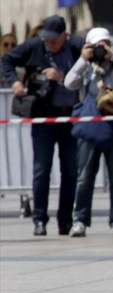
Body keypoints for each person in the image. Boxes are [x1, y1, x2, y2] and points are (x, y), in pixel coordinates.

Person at [1, 15, 84, 236]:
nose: (49, 43)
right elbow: (6, 60)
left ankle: (65, 221)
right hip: (43, 117)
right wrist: (14, 81)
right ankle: (39, 219)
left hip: (70, 116)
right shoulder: (34, 46)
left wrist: (62, 76)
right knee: (41, 169)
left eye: (54, 40)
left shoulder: (76, 46)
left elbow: (90, 71)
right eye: (46, 39)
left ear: (64, 36)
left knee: (70, 171)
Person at [64, 27, 113, 238]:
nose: (100, 49)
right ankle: (80, 220)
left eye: (104, 44)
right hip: (91, 125)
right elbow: (69, 83)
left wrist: (112, 54)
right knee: (85, 176)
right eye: (97, 45)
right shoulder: (86, 67)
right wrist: (83, 59)